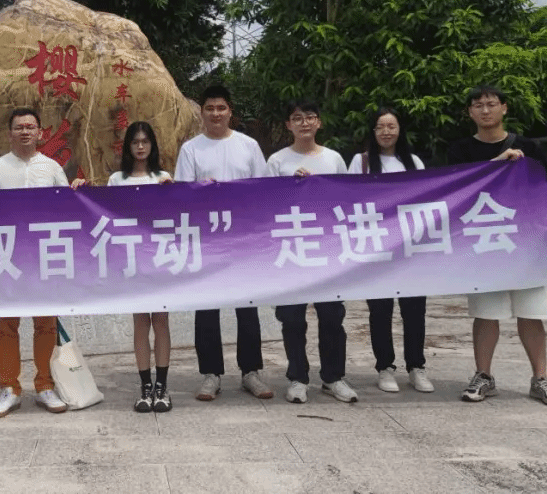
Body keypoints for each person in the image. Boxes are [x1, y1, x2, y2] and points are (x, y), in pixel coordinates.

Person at [447, 85, 547, 407]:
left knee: (531, 312)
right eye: (478, 105)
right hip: (483, 244)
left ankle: (540, 378)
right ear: (470, 112)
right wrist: (499, 161)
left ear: (504, 107)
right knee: (486, 313)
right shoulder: (460, 151)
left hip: (527, 243)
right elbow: (457, 188)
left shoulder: (529, 147)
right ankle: (483, 375)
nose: (485, 110)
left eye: (491, 104)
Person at [0, 107, 81, 418]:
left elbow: (67, 209)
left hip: (43, 257)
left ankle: (45, 385)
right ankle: (9, 388)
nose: (25, 132)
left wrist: (75, 193)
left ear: (40, 133)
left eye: (30, 127)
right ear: (10, 133)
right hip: (7, 257)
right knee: (6, 325)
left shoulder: (52, 168)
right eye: (19, 127)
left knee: (45, 323)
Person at [173, 85, 272, 402]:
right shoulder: (191, 149)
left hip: (243, 239)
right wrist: (202, 190)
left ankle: (251, 372)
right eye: (210, 108)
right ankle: (210, 374)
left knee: (248, 308)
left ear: (230, 111)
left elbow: (263, 190)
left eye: (221, 108)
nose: (215, 113)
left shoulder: (248, 146)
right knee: (206, 310)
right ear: (201, 112)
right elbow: (182, 194)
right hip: (207, 241)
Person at [268, 100, 357, 405]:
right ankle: (297, 377)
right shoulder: (277, 161)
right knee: (292, 319)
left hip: (328, 249)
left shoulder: (333, 159)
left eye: (310, 117)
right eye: (297, 118)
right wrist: (290, 187)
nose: (304, 123)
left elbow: (347, 199)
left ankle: (333, 377)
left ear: (319, 122)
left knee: (332, 317)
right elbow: (265, 203)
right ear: (288, 125)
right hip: (291, 250)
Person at [347, 108, 434, 395]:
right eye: (380, 127)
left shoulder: (413, 162)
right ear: (372, 132)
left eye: (391, 126)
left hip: (410, 249)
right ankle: (385, 367)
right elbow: (349, 200)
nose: (386, 132)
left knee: (414, 311)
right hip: (377, 249)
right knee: (380, 311)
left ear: (400, 130)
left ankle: (416, 366)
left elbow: (425, 200)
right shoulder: (360, 162)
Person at [108, 121, 174, 413]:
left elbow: (175, 216)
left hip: (158, 257)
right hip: (131, 259)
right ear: (127, 146)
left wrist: (170, 193)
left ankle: (162, 386)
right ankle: (145, 386)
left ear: (152, 145)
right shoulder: (116, 180)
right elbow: (106, 216)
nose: (140, 147)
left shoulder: (163, 177)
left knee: (161, 321)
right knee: (140, 322)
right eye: (135, 142)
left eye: (145, 141)